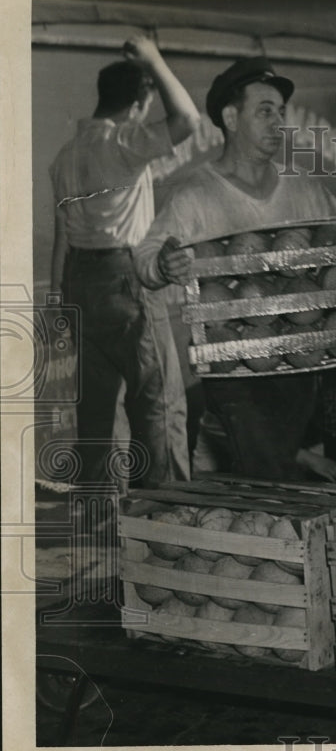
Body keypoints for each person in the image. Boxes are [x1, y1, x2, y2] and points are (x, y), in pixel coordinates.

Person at [133, 56, 336, 481]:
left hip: (301, 367)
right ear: (231, 118)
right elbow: (144, 258)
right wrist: (162, 264)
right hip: (235, 372)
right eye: (265, 111)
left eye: (281, 113)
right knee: (265, 480)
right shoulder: (197, 195)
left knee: (278, 477)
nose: (278, 123)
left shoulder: (304, 188)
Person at [50, 36, 200, 492]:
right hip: (125, 280)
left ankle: (100, 518)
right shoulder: (124, 143)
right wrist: (155, 58)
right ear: (139, 103)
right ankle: (166, 516)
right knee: (158, 401)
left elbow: (62, 236)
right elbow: (188, 120)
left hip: (79, 281)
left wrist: (60, 298)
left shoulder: (65, 156)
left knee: (96, 410)